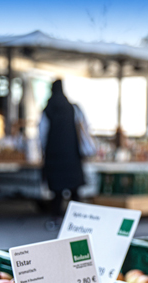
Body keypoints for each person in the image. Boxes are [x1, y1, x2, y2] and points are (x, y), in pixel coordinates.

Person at [39, 80, 91, 221]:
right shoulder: (72, 108)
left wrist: (44, 150)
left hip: (54, 155)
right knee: (74, 188)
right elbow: (84, 128)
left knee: (57, 190)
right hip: (72, 154)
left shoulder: (47, 109)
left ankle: (56, 217)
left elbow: (42, 133)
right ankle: (78, 218)